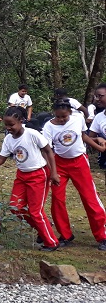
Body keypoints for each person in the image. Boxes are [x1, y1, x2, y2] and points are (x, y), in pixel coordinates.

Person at [0, 107, 60, 251]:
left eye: (12, 124)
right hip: (21, 176)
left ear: (21, 121)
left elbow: (48, 151)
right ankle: (42, 229)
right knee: (15, 207)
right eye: (6, 124)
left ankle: (51, 242)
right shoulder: (8, 139)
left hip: (38, 175)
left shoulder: (32, 134)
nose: (8, 128)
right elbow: (1, 158)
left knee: (36, 211)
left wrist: (53, 173)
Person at [41, 100, 106, 250]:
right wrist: (53, 172)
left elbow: (83, 136)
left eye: (64, 116)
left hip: (79, 162)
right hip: (59, 163)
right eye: (58, 117)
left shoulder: (78, 119)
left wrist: (98, 147)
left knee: (89, 197)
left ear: (70, 112)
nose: (62, 120)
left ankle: (102, 235)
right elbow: (47, 151)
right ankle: (65, 234)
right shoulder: (49, 127)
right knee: (57, 199)